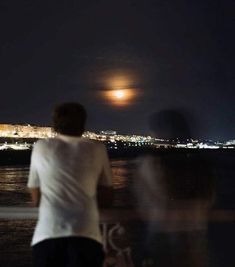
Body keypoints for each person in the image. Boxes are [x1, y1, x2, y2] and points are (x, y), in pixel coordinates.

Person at [27, 102, 113, 267]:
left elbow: (36, 198)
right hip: (86, 236)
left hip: (48, 236)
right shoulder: (97, 148)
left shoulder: (40, 147)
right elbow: (108, 196)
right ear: (83, 123)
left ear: (55, 123)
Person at [131, 109, 215, 267]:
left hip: (163, 237)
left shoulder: (149, 163)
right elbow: (209, 200)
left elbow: (144, 204)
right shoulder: (201, 165)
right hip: (194, 239)